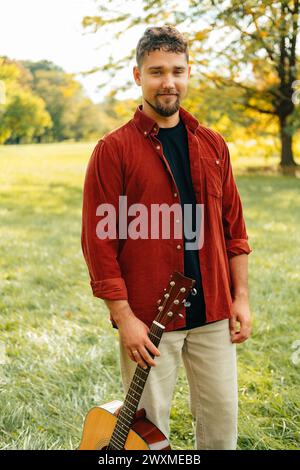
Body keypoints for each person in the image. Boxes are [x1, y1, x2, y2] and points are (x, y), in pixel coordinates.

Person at [81, 25, 252, 450]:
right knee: (147, 439)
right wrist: (124, 319)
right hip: (149, 322)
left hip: (214, 313)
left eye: (177, 71)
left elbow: (235, 230)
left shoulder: (213, 145)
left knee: (221, 428)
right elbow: (99, 242)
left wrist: (241, 296)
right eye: (157, 72)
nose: (168, 82)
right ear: (138, 76)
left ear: (189, 73)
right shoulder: (113, 149)